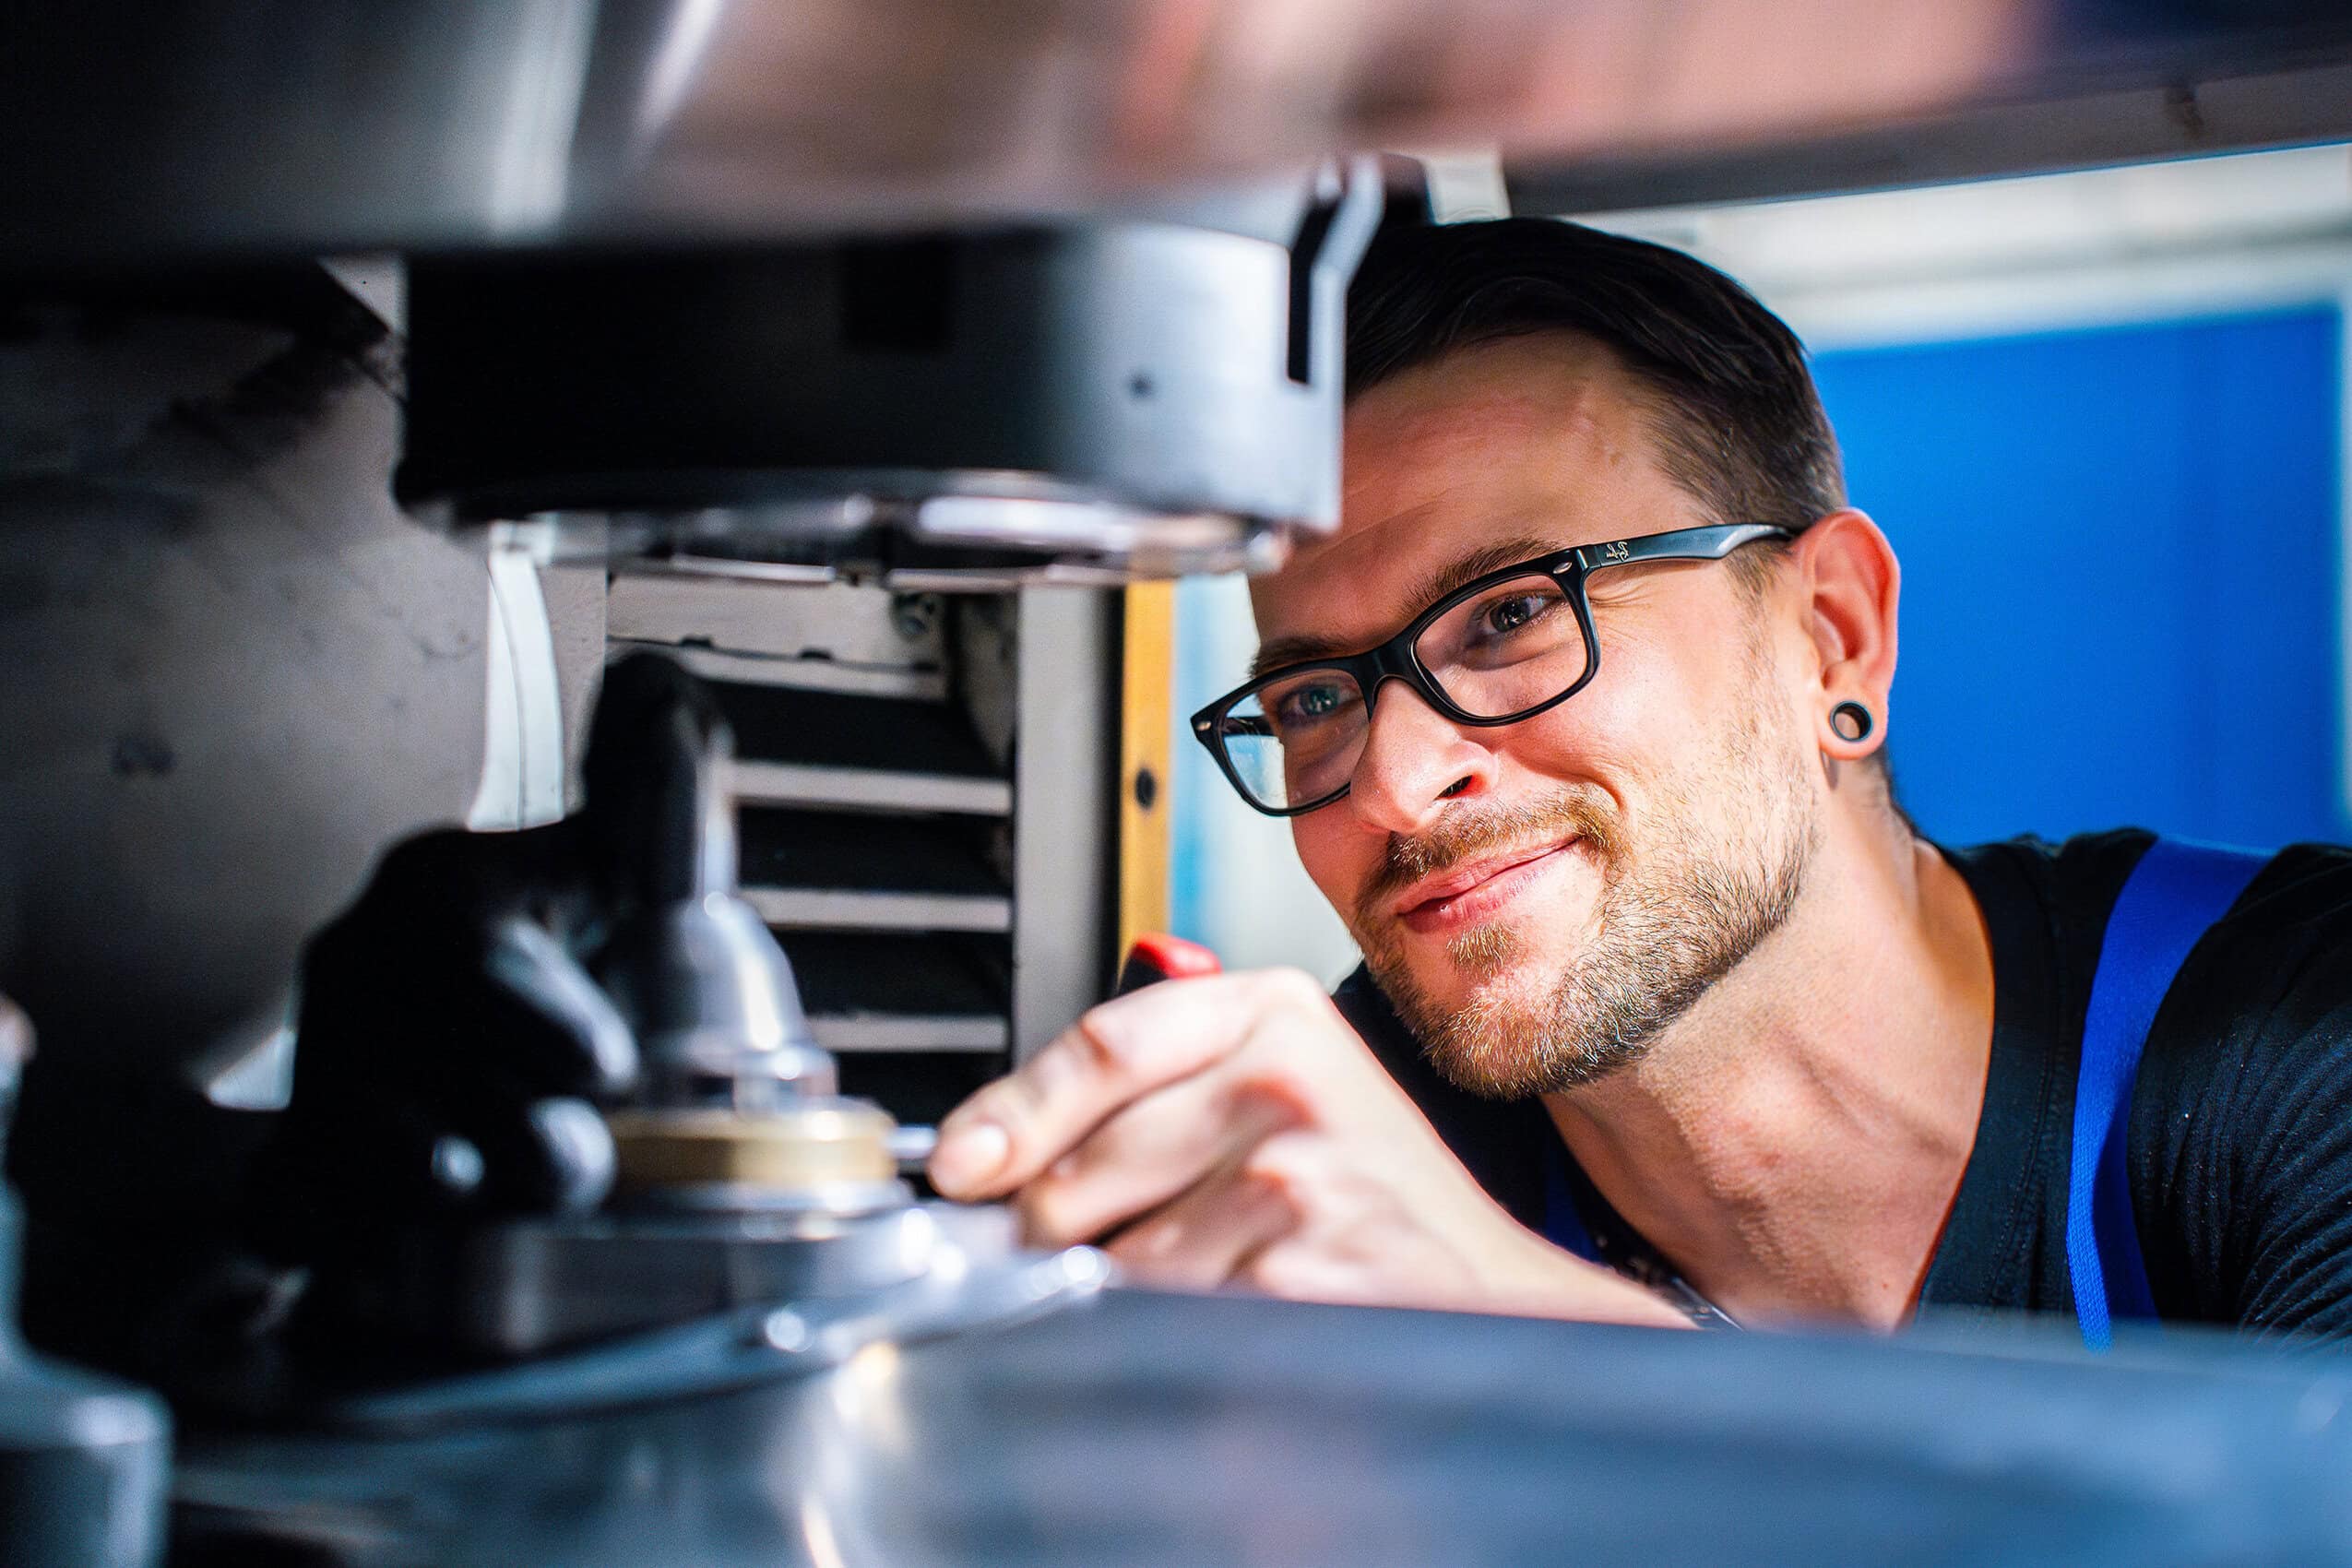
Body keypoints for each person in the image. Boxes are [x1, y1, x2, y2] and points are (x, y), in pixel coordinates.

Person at [925, 217, 2352, 1338]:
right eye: (1311, 696)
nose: (1394, 785)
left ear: (1829, 637)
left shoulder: (2291, 1038)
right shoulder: (1338, 1177)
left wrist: (1543, 1338)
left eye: (1509, 614)